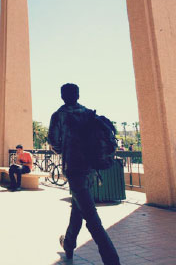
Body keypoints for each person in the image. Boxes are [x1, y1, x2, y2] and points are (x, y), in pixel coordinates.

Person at [48, 83, 120, 265]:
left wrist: (66, 150)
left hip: (74, 169)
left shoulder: (59, 116)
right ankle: (69, 244)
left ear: (62, 96)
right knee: (78, 209)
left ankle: (112, 260)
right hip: (91, 170)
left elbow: (54, 142)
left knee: (92, 219)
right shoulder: (89, 113)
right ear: (78, 95)